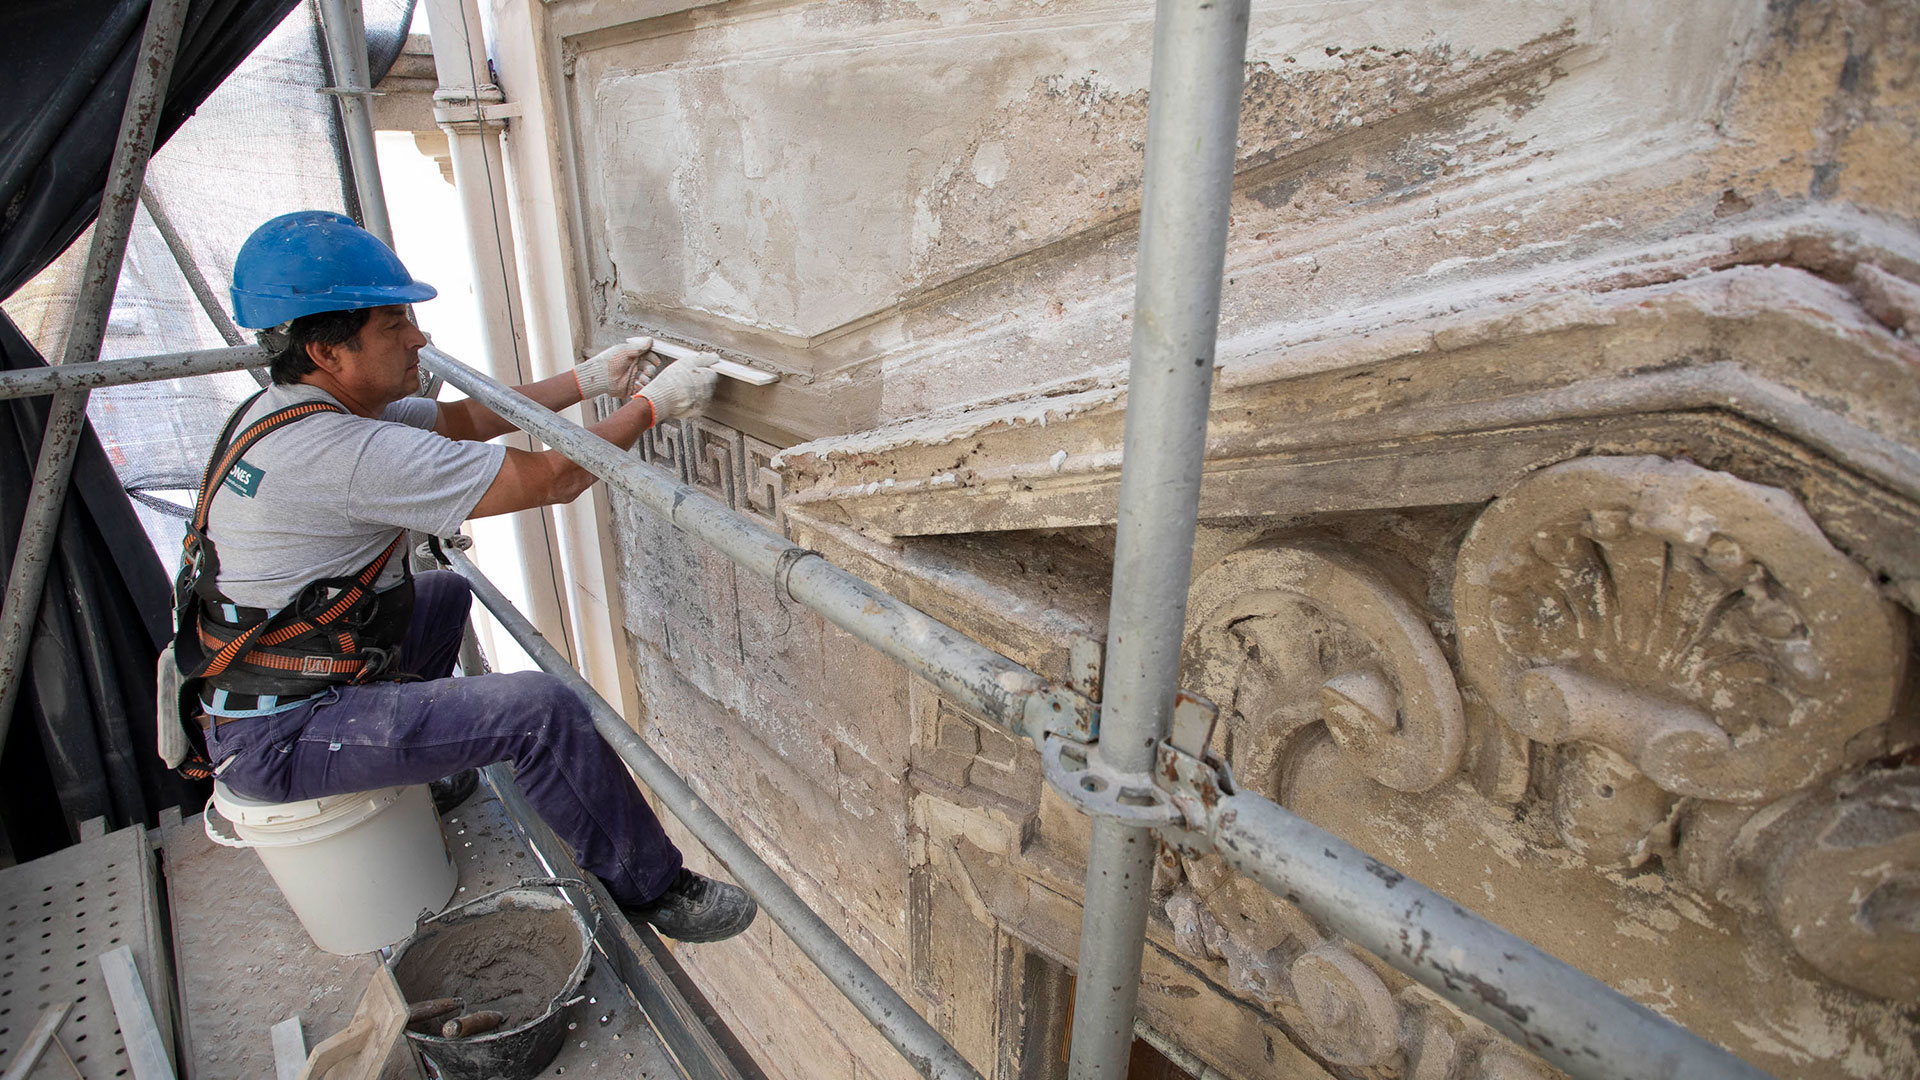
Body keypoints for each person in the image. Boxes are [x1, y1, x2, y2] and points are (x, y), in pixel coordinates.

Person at [170, 210, 755, 943]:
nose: (420, 338)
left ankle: (421, 764)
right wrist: (653, 405)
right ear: (327, 350)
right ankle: (656, 891)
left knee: (442, 594)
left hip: (278, 682)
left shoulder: (286, 410)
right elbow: (556, 477)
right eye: (394, 326)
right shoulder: (345, 452)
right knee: (541, 712)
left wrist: (588, 379)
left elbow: (466, 422)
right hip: (283, 734)